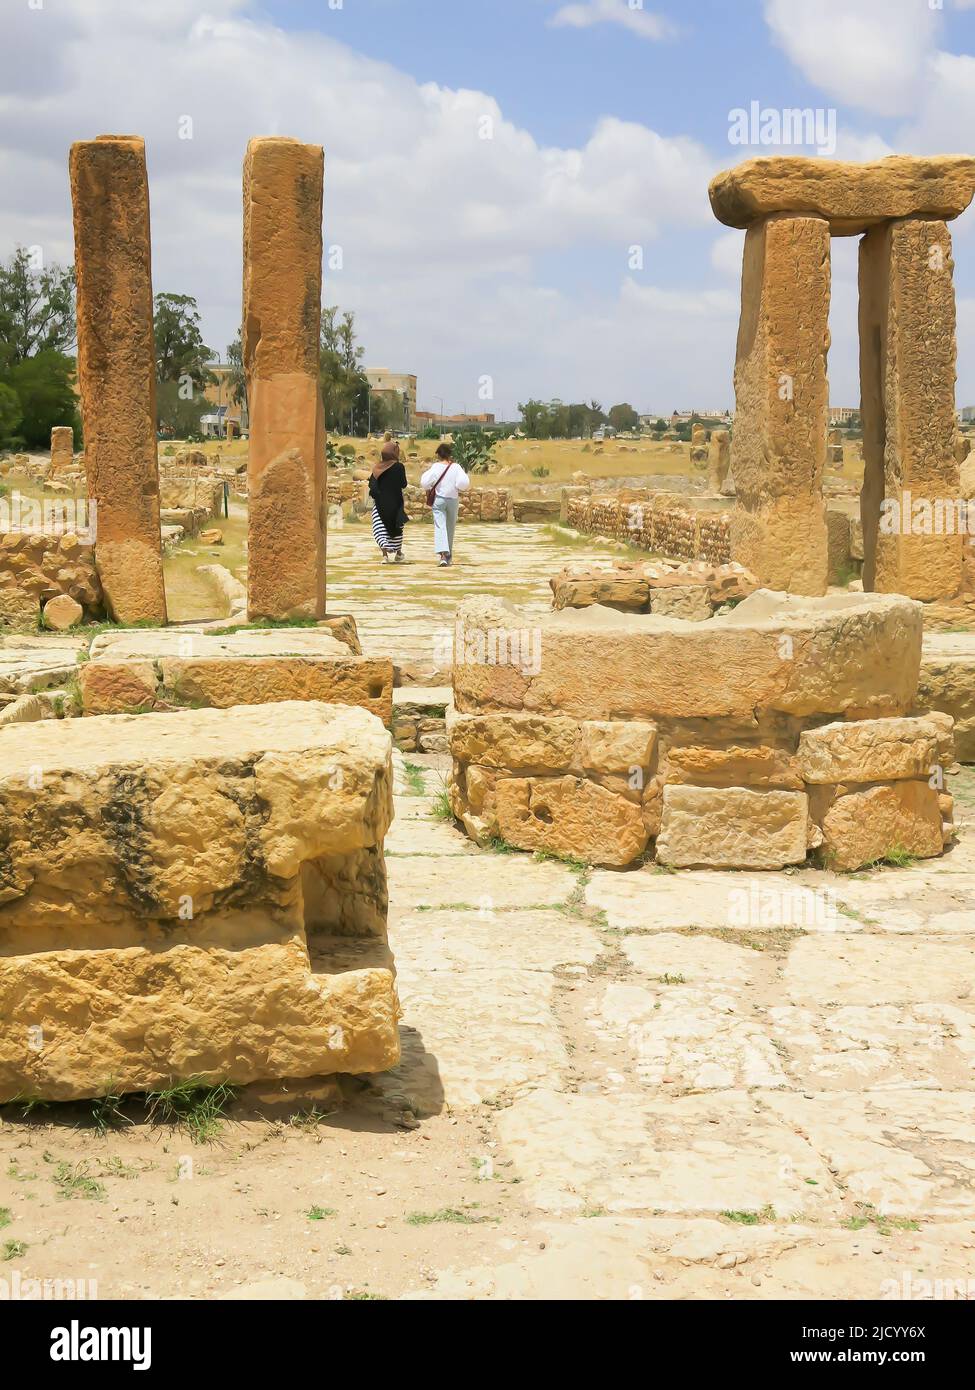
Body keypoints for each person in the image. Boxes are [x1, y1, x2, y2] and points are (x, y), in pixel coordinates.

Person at [421, 442, 470, 566]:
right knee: (450, 527)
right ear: (449, 454)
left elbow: (425, 483)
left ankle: (443, 555)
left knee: (440, 526)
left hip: (439, 500)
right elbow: (463, 483)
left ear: (438, 455)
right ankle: (449, 555)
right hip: (452, 499)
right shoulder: (456, 467)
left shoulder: (436, 467)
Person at [369, 433, 408, 563]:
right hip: (396, 503)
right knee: (396, 528)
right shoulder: (399, 467)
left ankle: (385, 555)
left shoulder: (377, 468)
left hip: (380, 504)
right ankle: (398, 553)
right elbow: (404, 484)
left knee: (380, 528)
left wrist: (378, 497)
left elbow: (372, 486)